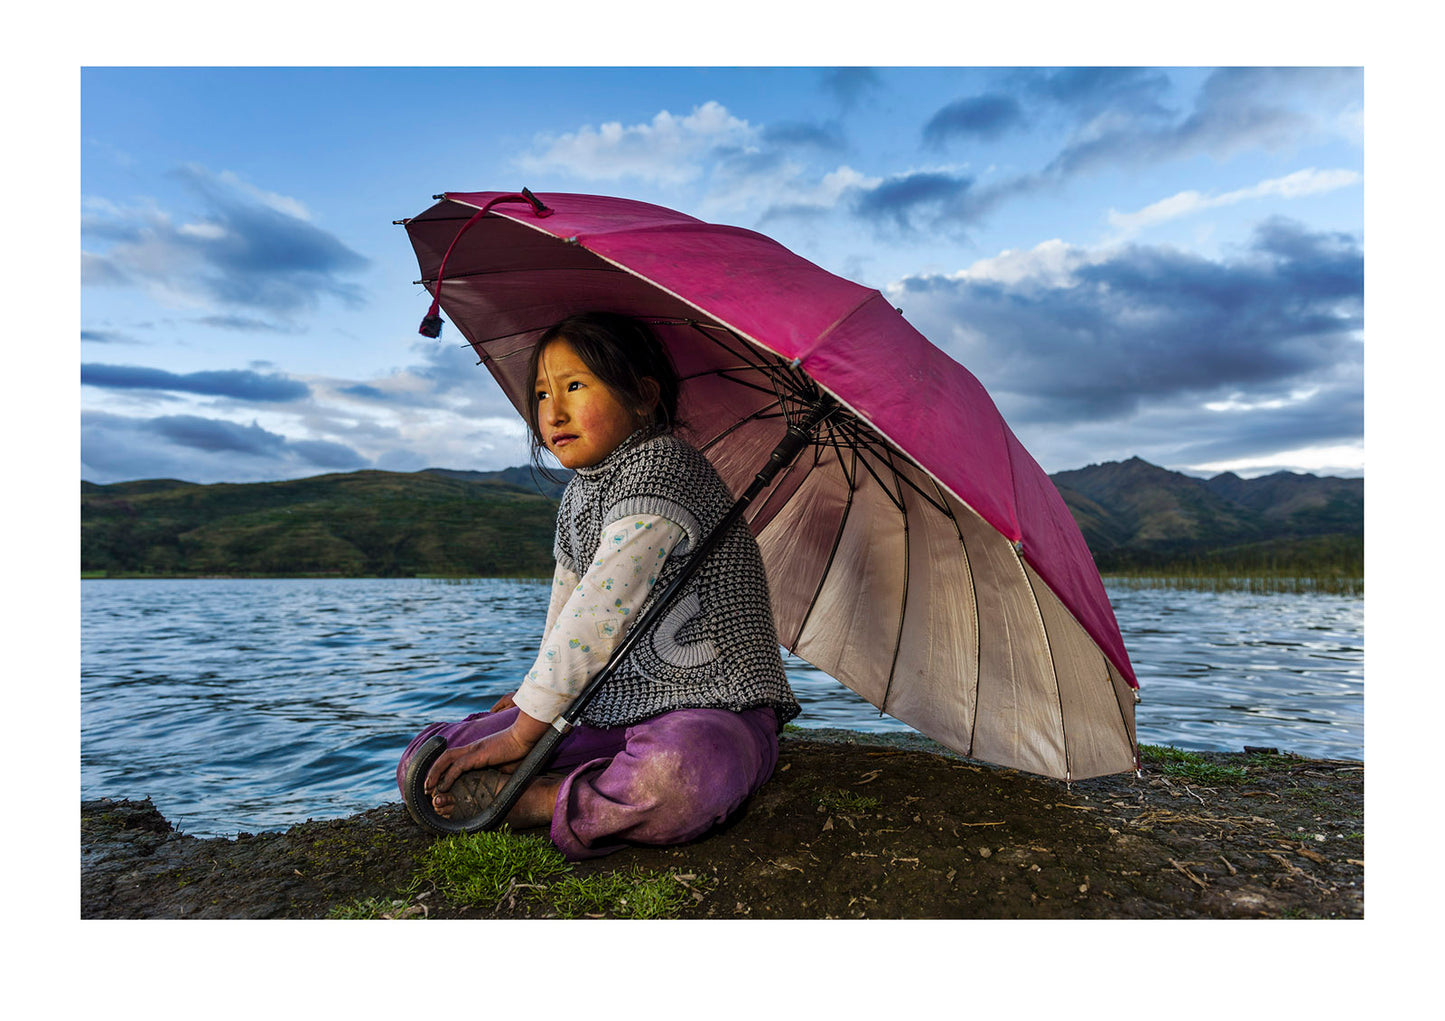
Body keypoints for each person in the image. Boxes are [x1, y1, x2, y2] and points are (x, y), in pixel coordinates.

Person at [395, 311, 799, 860]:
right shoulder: (581, 494)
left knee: (682, 774)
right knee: (428, 760)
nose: (552, 411)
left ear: (642, 396)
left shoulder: (662, 468)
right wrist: (530, 698)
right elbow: (567, 614)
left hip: (715, 706)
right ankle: (598, 783)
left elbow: (599, 610)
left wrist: (520, 738)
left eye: (575, 386)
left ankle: (542, 799)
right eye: (541, 393)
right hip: (609, 705)